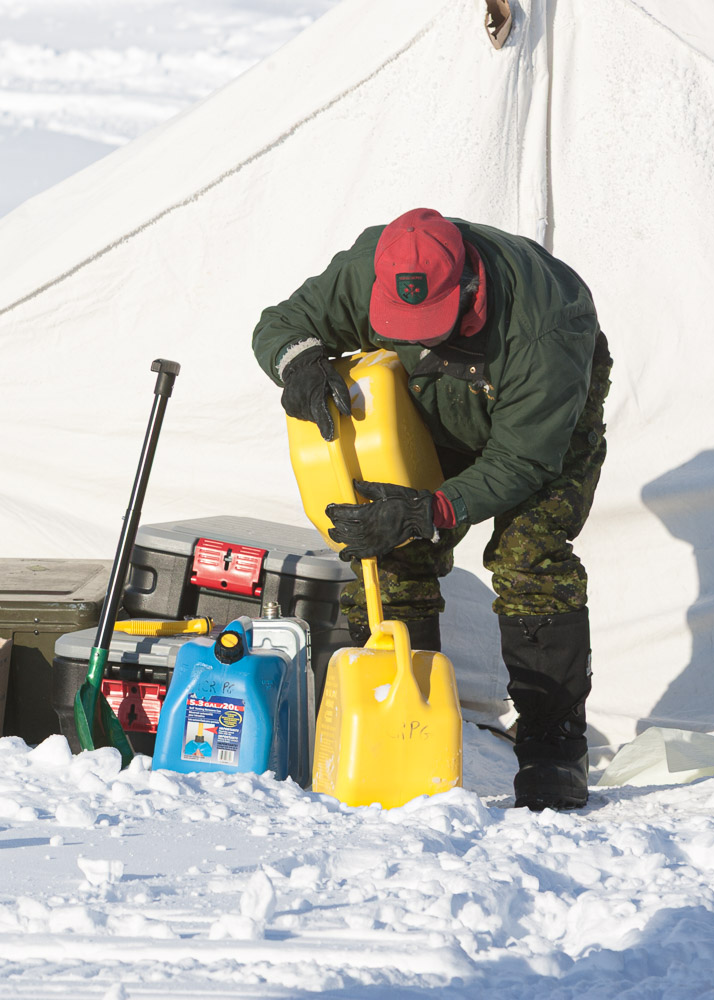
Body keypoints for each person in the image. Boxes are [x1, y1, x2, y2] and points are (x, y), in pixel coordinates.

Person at [251, 207, 612, 812]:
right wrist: (302, 365)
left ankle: (553, 746)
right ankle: (405, 730)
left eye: (431, 323)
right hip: (423, 404)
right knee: (388, 548)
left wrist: (434, 508)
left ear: (471, 286)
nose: (416, 335)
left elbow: (521, 461)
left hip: (538, 427)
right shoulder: (376, 262)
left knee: (531, 559)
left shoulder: (548, 329)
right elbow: (283, 325)